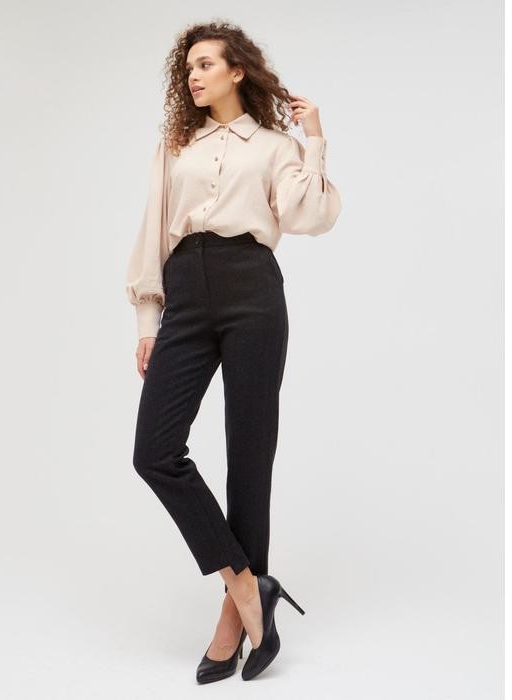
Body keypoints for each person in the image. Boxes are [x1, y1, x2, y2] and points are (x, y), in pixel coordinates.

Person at [125, 21, 341, 683]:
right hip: (187, 290)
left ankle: (231, 621)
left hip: (253, 289)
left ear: (237, 71)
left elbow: (309, 217)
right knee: (155, 452)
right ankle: (248, 587)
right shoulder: (176, 145)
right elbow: (154, 227)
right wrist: (148, 316)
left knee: (250, 454)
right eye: (188, 67)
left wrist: (314, 140)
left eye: (206, 64)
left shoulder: (275, 146)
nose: (193, 76)